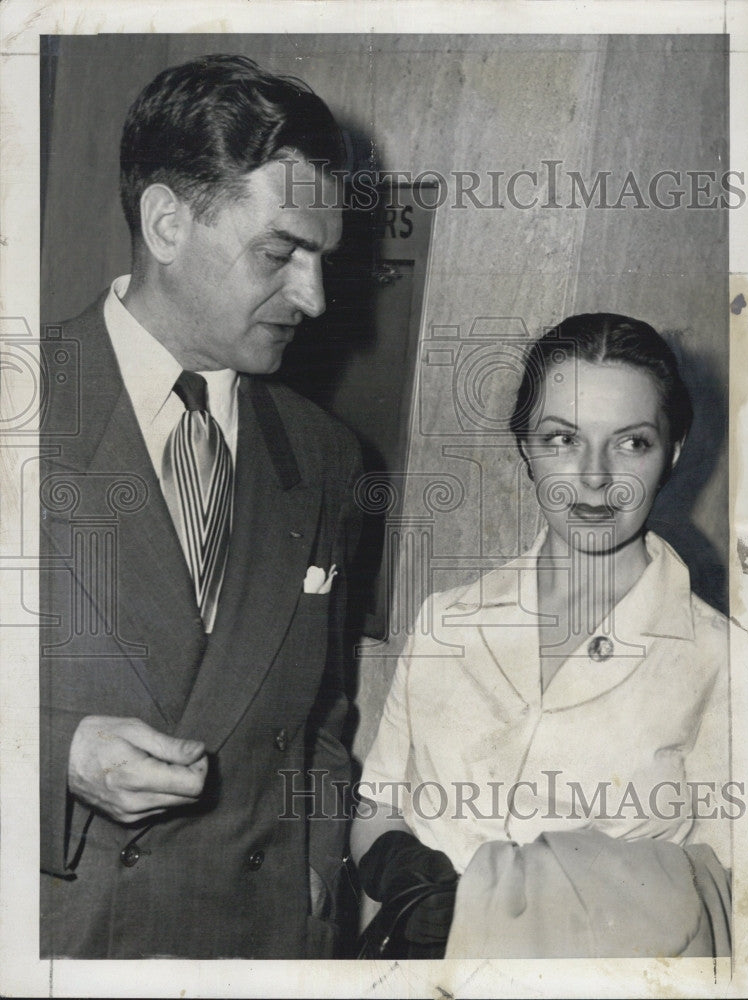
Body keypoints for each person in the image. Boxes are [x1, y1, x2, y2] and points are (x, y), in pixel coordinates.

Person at [39, 54, 362, 959]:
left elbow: (324, 723)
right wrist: (51, 761)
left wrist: (314, 874)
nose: (315, 297)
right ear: (166, 222)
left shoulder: (327, 455)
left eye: (322, 260)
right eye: (279, 254)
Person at [352, 313, 733, 959]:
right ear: (524, 444)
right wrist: (404, 872)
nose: (592, 476)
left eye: (630, 442)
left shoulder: (724, 663)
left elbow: (733, 892)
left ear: (672, 451)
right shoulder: (447, 621)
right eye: (562, 439)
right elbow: (379, 805)